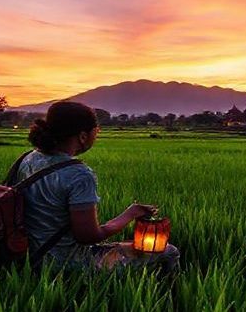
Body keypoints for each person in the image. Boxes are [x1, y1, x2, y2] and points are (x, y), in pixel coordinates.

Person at [15, 101, 180, 273]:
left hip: (24, 256)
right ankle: (168, 295)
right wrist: (130, 214)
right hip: (67, 263)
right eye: (96, 131)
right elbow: (88, 237)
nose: (97, 135)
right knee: (169, 252)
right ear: (83, 136)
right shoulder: (79, 174)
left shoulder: (27, 159)